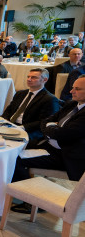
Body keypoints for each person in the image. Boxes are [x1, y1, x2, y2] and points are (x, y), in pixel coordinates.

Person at [10, 75, 85, 210]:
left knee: (15, 159)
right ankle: (10, 188)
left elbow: (63, 134)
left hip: (65, 156)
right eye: (73, 87)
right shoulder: (73, 104)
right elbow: (46, 121)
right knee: (11, 147)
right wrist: (52, 127)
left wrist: (53, 128)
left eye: (77, 89)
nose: (71, 91)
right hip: (48, 143)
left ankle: (32, 203)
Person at [0, 68, 60, 146]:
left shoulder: (49, 99)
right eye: (28, 77)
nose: (29, 79)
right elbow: (9, 110)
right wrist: (4, 122)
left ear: (44, 80)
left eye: (34, 77)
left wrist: (22, 127)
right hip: (11, 126)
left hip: (29, 130)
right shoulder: (20, 93)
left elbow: (44, 121)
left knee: (4, 143)